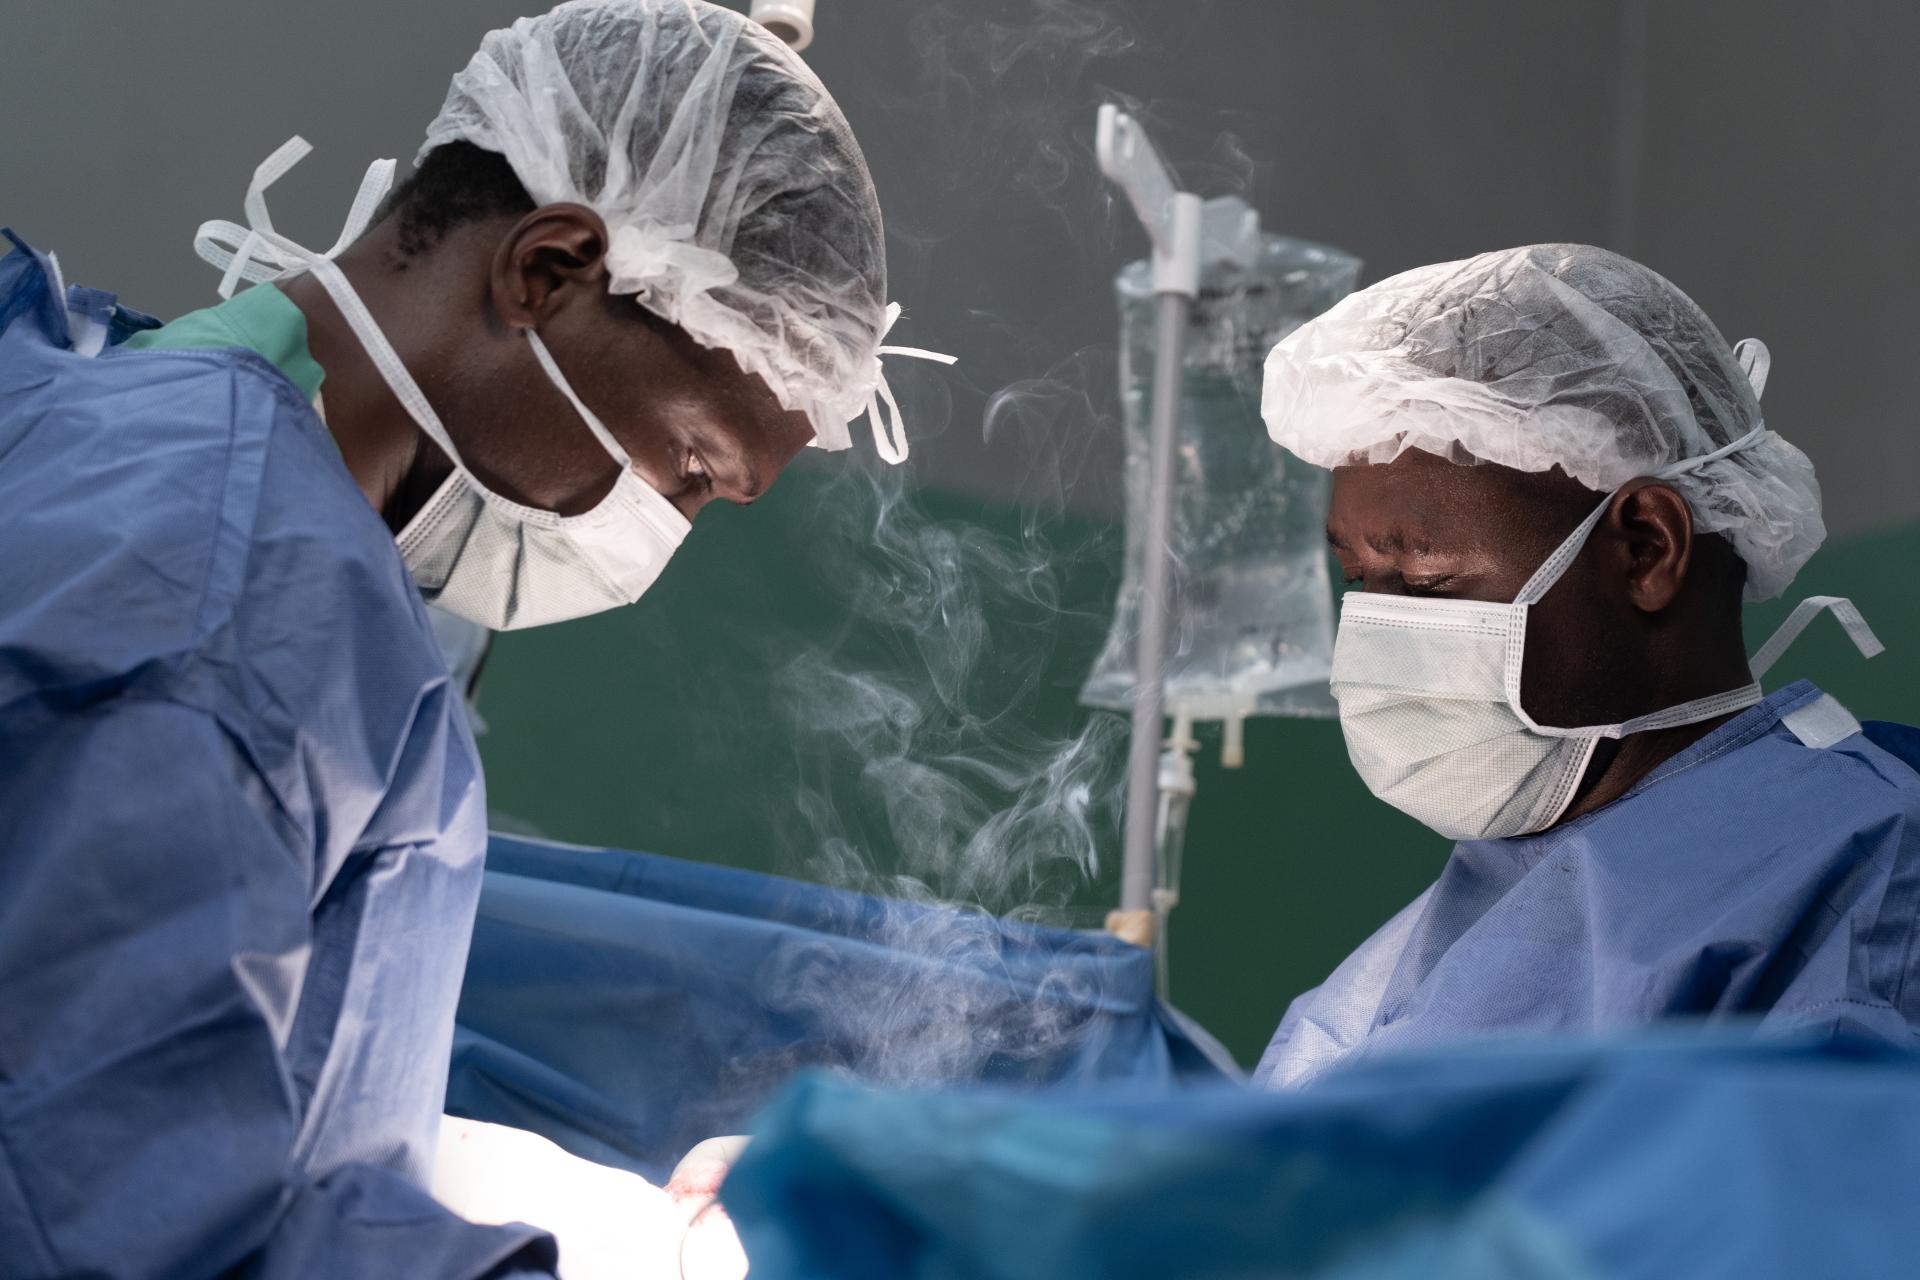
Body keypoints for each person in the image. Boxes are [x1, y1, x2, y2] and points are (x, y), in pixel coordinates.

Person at [0, 1, 944, 1274]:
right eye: (690, 466)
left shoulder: (119, 423)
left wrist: (537, 1204)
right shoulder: (223, 590)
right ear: (545, 270)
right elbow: (109, 1207)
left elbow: (152, 1057)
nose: (662, 532)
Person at [1255, 243, 1920, 1088]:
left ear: (1646, 548)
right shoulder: (1475, 907)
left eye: (1425, 579)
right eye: (1359, 578)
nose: (1378, 629)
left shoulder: (1859, 879)